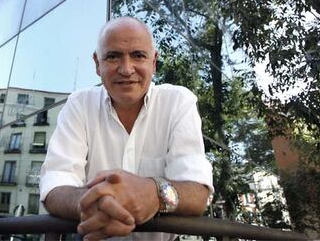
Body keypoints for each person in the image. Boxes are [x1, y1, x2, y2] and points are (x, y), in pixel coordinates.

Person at [40, 17, 214, 241]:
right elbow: (56, 181)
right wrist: (96, 202)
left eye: (138, 56)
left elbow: (198, 192)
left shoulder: (178, 102)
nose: (126, 69)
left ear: (154, 62)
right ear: (97, 64)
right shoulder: (79, 104)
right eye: (113, 56)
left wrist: (154, 193)